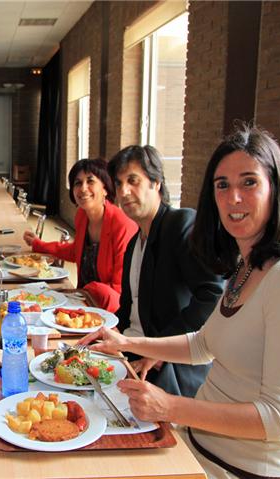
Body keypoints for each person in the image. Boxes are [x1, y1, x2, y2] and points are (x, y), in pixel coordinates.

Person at [82, 124, 280, 478]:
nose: (233, 197)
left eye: (249, 182)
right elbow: (204, 343)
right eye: (222, 185)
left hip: (235, 467)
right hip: (194, 445)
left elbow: (278, 419)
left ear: (276, 189)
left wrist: (170, 406)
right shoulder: (247, 266)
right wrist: (129, 342)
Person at [80, 145, 223, 398]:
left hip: (167, 368)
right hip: (132, 350)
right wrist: (106, 329)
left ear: (156, 183)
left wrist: (158, 349)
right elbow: (127, 308)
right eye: (119, 183)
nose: (124, 191)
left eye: (133, 181)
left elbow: (213, 295)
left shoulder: (180, 224)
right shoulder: (136, 241)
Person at [23, 158, 137, 312]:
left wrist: (85, 291)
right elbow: (76, 251)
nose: (83, 188)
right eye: (77, 183)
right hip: (82, 300)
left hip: (110, 310)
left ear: (105, 188)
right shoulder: (82, 216)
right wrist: (39, 244)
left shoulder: (122, 225)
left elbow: (120, 289)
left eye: (90, 181)